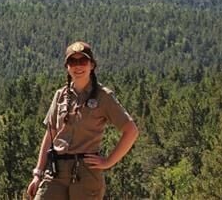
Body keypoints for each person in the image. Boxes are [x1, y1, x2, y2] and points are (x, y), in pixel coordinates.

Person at [27, 41, 139, 199]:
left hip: (86, 174)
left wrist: (108, 161)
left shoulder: (103, 96)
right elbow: (50, 135)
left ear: (92, 65)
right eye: (72, 62)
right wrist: (38, 173)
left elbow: (131, 131)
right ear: (67, 67)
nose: (78, 66)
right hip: (55, 172)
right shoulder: (60, 95)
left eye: (83, 61)